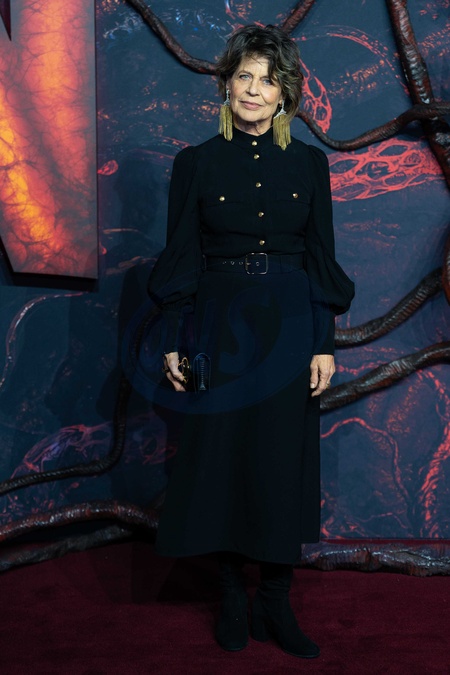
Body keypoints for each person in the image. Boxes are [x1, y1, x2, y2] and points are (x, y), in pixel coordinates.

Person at [147, 25, 354, 659]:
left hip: (290, 322)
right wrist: (175, 337)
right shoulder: (196, 162)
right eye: (244, 77)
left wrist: (324, 341)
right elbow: (182, 254)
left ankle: (276, 599)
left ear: (285, 93)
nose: (254, 90)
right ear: (226, 85)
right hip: (220, 324)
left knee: (279, 459)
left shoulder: (309, 164)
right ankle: (233, 596)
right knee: (223, 460)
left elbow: (320, 255)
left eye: (267, 80)